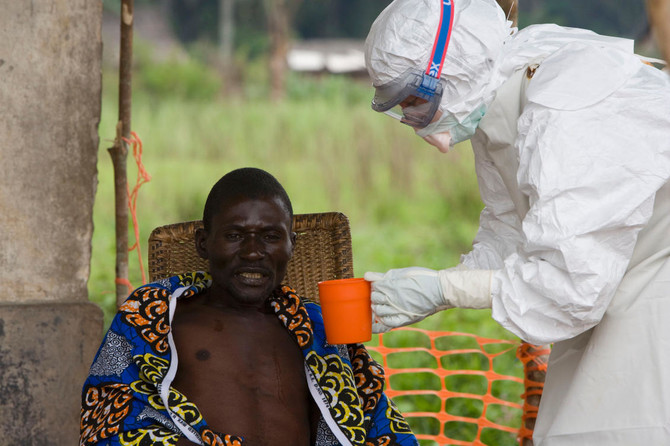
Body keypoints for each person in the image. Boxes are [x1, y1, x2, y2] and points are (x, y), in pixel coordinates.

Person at [363, 0, 670, 444]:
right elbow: (512, 231)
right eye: (399, 108)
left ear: (454, 68)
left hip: (650, 293)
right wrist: (437, 286)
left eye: (416, 101)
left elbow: (571, 285)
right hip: (619, 288)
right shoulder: (504, 100)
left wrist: (444, 288)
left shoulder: (567, 105)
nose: (414, 121)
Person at [80, 167, 419, 446]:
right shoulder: (157, 318)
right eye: (235, 235)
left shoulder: (319, 330)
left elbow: (370, 414)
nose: (253, 251)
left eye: (271, 236)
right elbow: (110, 413)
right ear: (203, 243)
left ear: (291, 245)